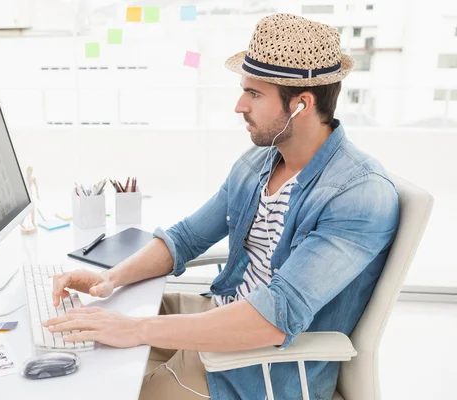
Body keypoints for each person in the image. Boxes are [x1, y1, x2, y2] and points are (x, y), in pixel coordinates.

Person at [43, 13, 400, 400]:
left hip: (262, 367)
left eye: (255, 94)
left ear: (301, 104)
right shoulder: (258, 163)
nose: (238, 105)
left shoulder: (358, 195)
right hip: (219, 317)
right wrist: (110, 279)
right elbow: (186, 237)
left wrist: (137, 329)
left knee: (105, 386)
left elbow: (274, 317)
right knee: (82, 338)